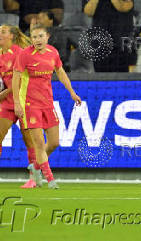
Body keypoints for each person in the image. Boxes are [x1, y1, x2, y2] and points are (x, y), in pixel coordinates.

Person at [12, 24, 82, 189]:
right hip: (30, 104)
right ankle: (50, 179)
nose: (37, 40)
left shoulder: (53, 53)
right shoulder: (24, 55)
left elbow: (61, 72)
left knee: (54, 142)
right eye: (34, 37)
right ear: (31, 39)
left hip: (48, 103)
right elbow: (16, 79)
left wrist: (71, 92)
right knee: (38, 143)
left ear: (47, 37)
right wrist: (16, 102)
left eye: (40, 36)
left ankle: (36, 167)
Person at [0, 24, 39, 188]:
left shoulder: (20, 53)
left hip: (24, 102)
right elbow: (1, 80)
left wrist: (7, 91)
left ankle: (33, 178)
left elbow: (24, 79)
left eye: (3, 32)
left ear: (11, 36)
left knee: (29, 141)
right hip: (7, 104)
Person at [84, 0, 134, 72]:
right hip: (100, 44)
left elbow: (122, 7)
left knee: (121, 77)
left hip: (120, 45)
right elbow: (88, 11)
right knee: (101, 76)